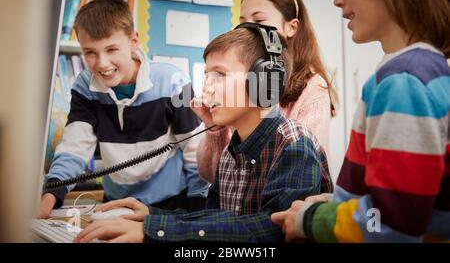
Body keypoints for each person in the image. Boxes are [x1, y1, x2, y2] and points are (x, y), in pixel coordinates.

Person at [73, 23, 332, 243]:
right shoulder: (233, 150)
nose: (205, 89)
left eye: (219, 75)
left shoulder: (295, 146)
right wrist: (151, 216)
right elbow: (216, 222)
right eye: (206, 76)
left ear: (265, 84)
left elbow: (270, 231)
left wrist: (152, 231)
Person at [271, 0, 450, 242]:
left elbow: (390, 223)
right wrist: (334, 204)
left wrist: (311, 219)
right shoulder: (428, 71)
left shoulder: (403, 81)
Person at [37, 0, 209, 218]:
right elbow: (75, 145)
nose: (102, 63)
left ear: (133, 41)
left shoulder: (172, 81)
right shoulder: (85, 86)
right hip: (114, 206)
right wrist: (50, 197)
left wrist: (196, 208)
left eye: (112, 49)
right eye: (90, 52)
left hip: (170, 205)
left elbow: (194, 150)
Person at [192, 0, 338, 183]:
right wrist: (214, 129)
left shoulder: (313, 88)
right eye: (242, 21)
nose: (249, 28)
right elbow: (215, 176)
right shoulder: (238, 90)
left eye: (259, 20)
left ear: (291, 27)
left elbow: (298, 170)